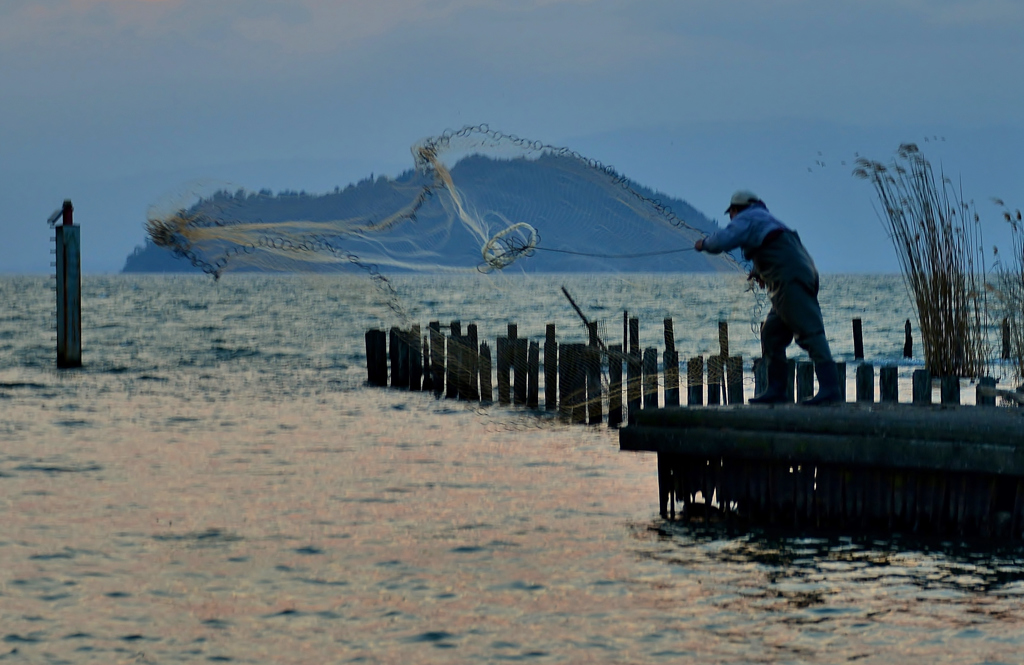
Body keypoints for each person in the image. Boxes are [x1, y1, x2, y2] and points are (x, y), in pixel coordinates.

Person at [694, 190, 841, 406]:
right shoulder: (765, 219)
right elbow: (774, 247)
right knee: (771, 333)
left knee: (810, 331)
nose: (732, 218)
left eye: (731, 213)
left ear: (737, 209)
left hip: (789, 280)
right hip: (794, 276)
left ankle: (831, 390)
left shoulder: (748, 217)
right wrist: (759, 271)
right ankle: (776, 390)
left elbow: (723, 240)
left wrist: (704, 244)